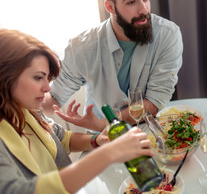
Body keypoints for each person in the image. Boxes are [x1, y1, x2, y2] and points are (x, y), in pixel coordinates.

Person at [0, 29, 154, 194]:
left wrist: (97, 140)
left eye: (47, 79)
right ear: (6, 76)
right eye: (38, 77)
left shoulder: (26, 110)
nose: (46, 88)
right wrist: (108, 154)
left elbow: (62, 138)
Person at [41, 0, 183, 130]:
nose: (143, 9)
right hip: (101, 138)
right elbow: (54, 99)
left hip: (151, 131)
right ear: (110, 7)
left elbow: (155, 101)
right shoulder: (81, 47)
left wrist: (104, 123)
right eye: (131, 2)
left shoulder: (168, 34)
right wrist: (20, 93)